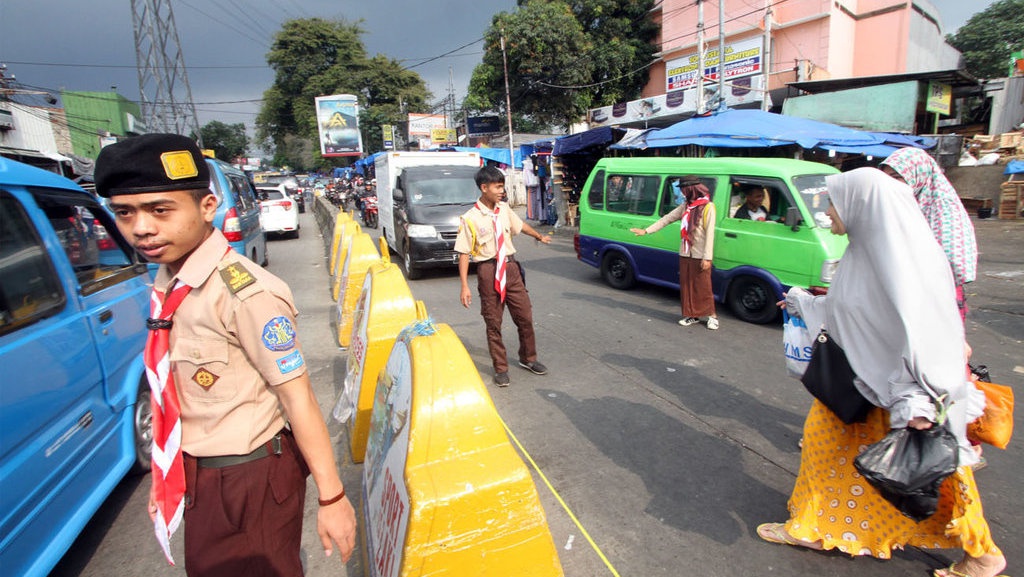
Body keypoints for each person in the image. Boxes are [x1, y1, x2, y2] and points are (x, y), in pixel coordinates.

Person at [96, 134, 356, 577]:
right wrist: (166, 477)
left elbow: (299, 399)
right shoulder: (169, 280)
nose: (141, 227)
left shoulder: (244, 292)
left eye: (160, 210)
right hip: (198, 473)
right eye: (125, 212)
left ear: (207, 206)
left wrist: (332, 498)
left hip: (246, 480)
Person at [759, 168, 1004, 577]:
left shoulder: (907, 264)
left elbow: (929, 337)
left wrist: (919, 406)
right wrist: (802, 302)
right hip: (860, 385)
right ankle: (811, 526)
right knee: (824, 454)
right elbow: (850, 313)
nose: (827, 215)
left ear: (862, 206)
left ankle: (983, 554)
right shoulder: (865, 251)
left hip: (906, 398)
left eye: (832, 205)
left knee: (938, 474)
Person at [455, 165, 552, 387]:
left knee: (525, 316)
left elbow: (520, 226)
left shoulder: (504, 209)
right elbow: (463, 252)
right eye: (498, 187)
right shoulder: (470, 217)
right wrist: (464, 286)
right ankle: (500, 368)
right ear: (484, 187)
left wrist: (539, 236)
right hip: (488, 271)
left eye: (502, 186)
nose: (501, 191)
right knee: (493, 322)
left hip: (511, 269)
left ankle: (529, 358)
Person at [880, 147, 977, 322]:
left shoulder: (941, 206)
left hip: (937, 300)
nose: (889, 184)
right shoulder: (907, 204)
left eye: (895, 178)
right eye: (885, 178)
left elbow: (953, 264)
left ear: (917, 175)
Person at [630, 176, 718, 330]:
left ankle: (711, 316)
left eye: (684, 190)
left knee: (703, 286)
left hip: (700, 254)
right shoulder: (686, 206)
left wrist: (707, 258)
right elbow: (667, 219)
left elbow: (710, 234)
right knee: (687, 286)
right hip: (685, 252)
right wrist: (646, 231)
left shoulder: (708, 207)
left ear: (691, 189)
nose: (682, 193)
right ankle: (692, 315)